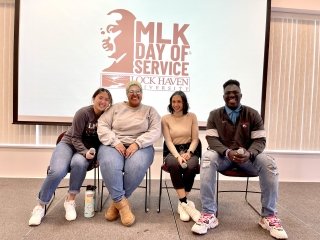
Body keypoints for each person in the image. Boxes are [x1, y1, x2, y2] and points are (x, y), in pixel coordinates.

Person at [191, 79, 288, 239]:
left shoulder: (253, 114)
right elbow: (212, 140)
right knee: (208, 157)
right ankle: (209, 215)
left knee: (269, 162)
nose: (231, 96)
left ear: (241, 95)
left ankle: (268, 216)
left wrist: (249, 153)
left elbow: (260, 141)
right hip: (224, 157)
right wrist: (228, 152)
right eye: (228, 93)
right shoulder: (214, 115)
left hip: (248, 158)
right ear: (223, 97)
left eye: (235, 93)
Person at [28, 88, 113, 226]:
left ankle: (70, 200)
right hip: (68, 145)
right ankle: (40, 206)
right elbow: (75, 137)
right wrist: (85, 152)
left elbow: (104, 139)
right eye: (100, 98)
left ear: (109, 103)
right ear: (94, 98)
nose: (103, 101)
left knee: (79, 164)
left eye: (107, 99)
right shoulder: (83, 113)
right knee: (57, 171)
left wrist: (95, 154)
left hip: (85, 152)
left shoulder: (107, 117)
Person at [97, 80, 161, 227]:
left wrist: (137, 143)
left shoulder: (150, 110)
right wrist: (115, 142)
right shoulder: (115, 108)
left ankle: (116, 203)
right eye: (131, 91)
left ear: (142, 94)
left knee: (136, 166)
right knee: (108, 163)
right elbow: (102, 125)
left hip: (141, 147)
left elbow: (156, 130)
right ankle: (123, 205)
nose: (135, 94)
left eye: (138, 91)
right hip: (114, 144)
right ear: (127, 94)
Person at [161, 91, 201, 222]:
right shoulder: (165, 118)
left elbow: (195, 139)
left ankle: (181, 202)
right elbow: (168, 141)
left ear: (184, 102)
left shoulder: (192, 116)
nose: (176, 104)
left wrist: (189, 153)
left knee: (192, 166)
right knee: (173, 164)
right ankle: (185, 203)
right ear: (170, 103)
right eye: (174, 101)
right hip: (172, 151)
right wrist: (178, 156)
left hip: (190, 149)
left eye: (179, 101)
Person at [100, 9, 136, 88]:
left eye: (111, 30)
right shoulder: (108, 70)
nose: (105, 38)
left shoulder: (135, 68)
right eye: (103, 32)